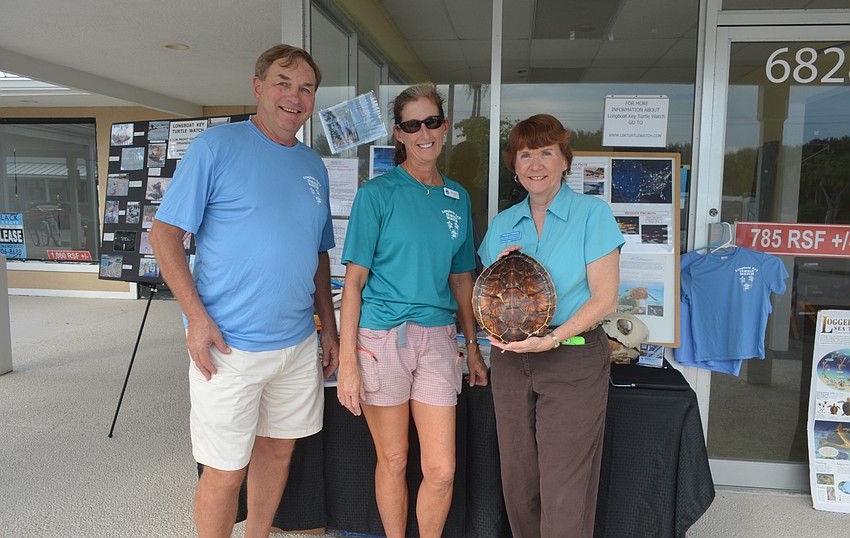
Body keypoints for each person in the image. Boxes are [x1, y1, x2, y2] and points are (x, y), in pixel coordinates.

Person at [149, 44, 339, 538]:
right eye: (283, 82)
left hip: (296, 344)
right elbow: (164, 235)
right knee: (225, 470)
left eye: (305, 88)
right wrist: (196, 320)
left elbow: (317, 255)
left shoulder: (313, 166)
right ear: (257, 87)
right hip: (227, 345)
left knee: (278, 450)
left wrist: (330, 329)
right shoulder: (216, 147)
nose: (294, 97)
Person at [336, 83, 488, 538]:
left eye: (432, 122)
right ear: (399, 134)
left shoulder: (458, 198)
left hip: (440, 339)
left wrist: (473, 346)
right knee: (395, 458)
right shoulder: (377, 194)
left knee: (441, 469)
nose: (424, 132)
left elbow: (462, 279)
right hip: (382, 339)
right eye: (411, 124)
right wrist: (347, 361)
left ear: (444, 127)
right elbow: (354, 283)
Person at [477, 114, 624, 538]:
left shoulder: (591, 214)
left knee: (564, 484)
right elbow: (490, 299)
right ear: (514, 164)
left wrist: (553, 338)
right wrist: (505, 273)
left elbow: (605, 298)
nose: (535, 164)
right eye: (526, 154)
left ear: (565, 160)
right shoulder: (505, 224)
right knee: (519, 481)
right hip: (510, 358)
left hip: (571, 354)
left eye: (546, 152)